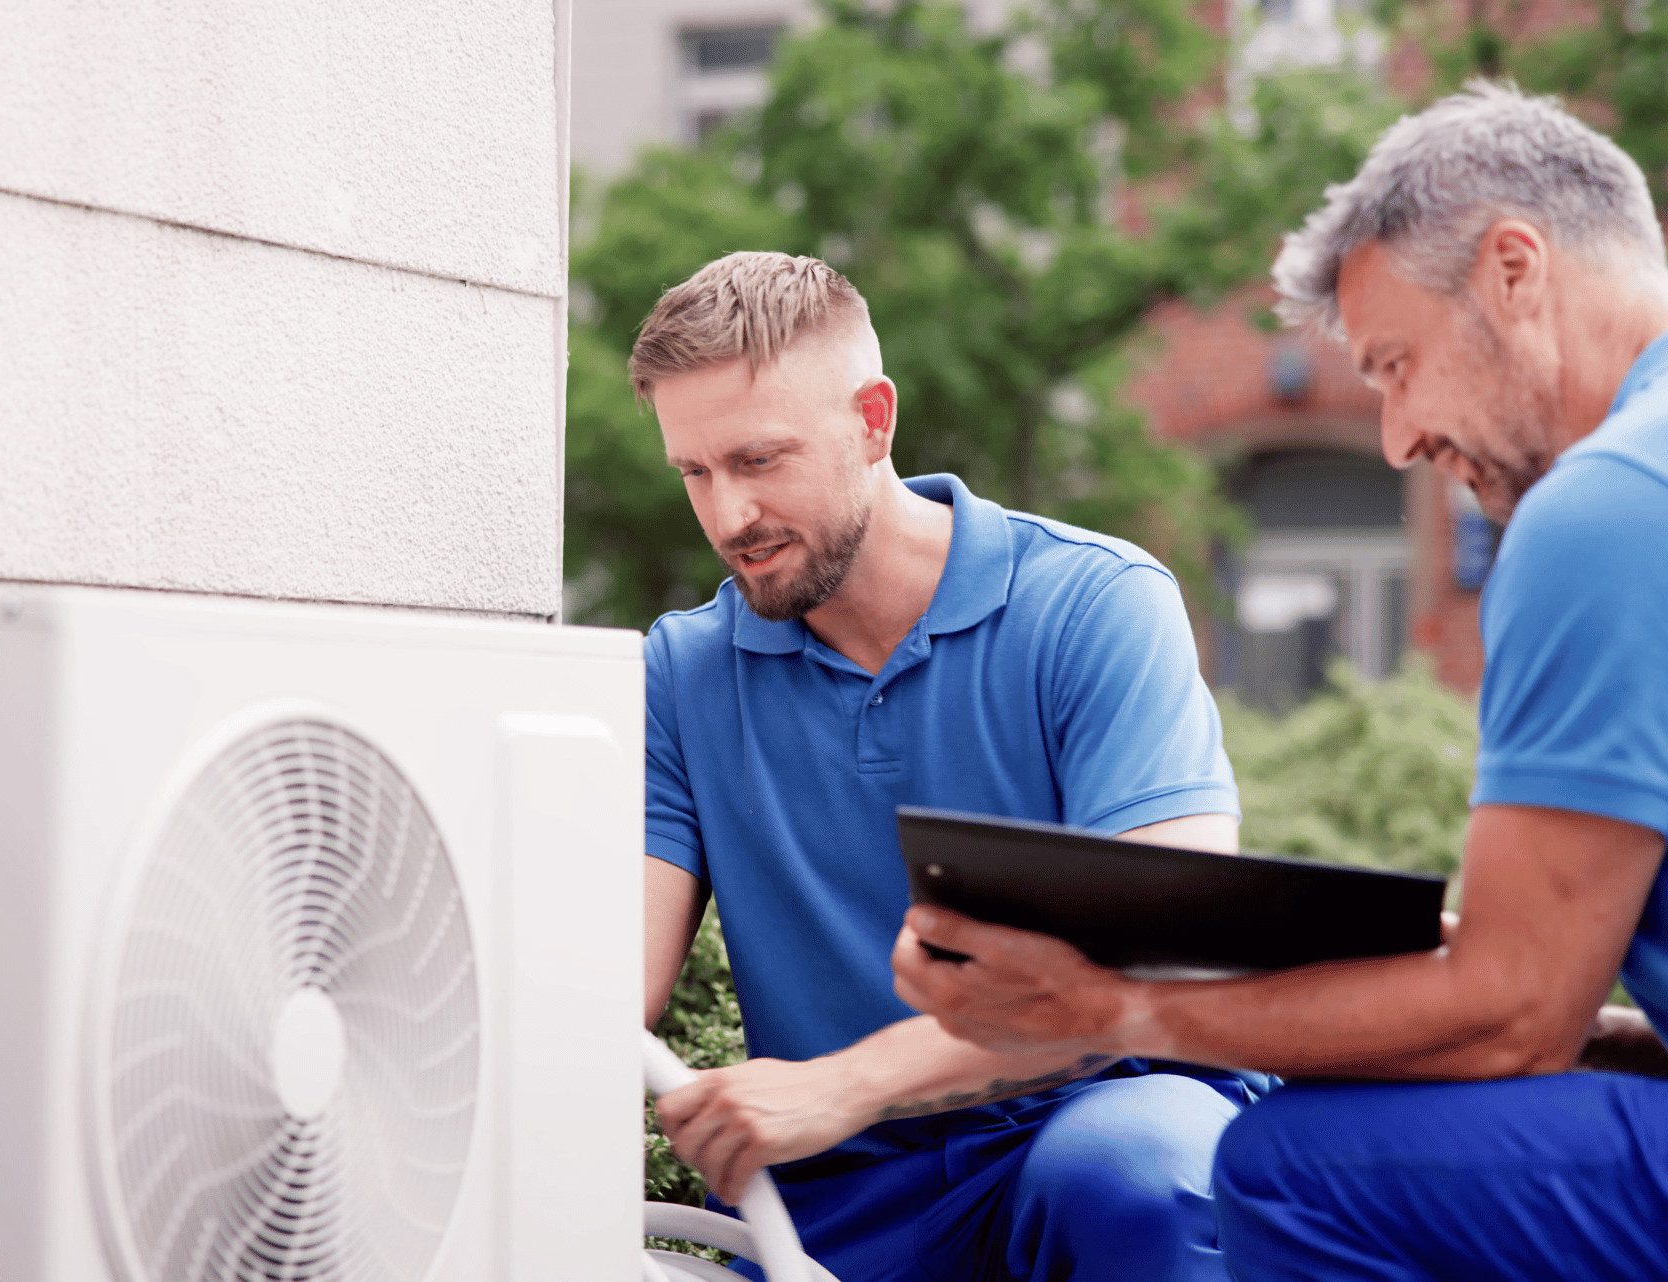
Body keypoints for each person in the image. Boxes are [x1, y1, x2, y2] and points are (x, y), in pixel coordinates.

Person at [891, 82, 1668, 1282]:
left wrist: (1110, 1010)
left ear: (1517, 270)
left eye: (1398, 365)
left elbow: (1517, 1014)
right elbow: (1552, 1007)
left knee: (1289, 1162)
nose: (1400, 436)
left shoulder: (1604, 507)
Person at [636, 250, 1264, 1282]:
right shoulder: (685, 669)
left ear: (873, 420)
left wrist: (854, 1080)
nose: (726, 517)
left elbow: (1168, 942)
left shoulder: (1095, 604)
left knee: (1128, 1171)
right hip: (835, 1190)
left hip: (1093, 1126)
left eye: (758, 461)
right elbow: (611, 982)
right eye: (695, 473)